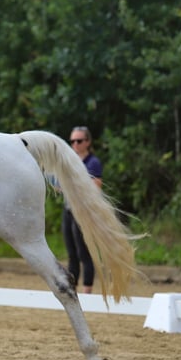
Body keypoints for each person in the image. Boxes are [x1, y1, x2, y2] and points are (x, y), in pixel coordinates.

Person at [61, 125, 103, 294]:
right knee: (71, 253)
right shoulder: (70, 161)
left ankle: (87, 291)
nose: (75, 144)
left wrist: (68, 184)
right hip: (68, 209)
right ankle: (73, 290)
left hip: (83, 212)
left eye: (79, 141)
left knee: (83, 253)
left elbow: (95, 187)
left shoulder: (93, 163)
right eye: (72, 141)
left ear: (88, 142)